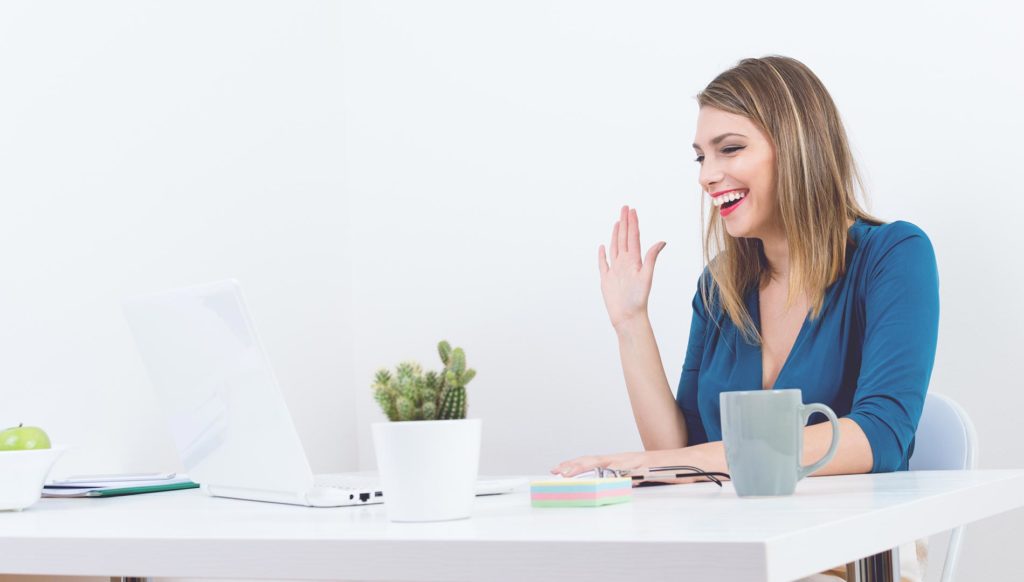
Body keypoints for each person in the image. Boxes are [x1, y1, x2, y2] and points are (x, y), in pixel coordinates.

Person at [550, 56, 939, 582]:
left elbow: (882, 435)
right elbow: (681, 457)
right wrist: (630, 324)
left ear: (798, 147)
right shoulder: (720, 289)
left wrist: (668, 466)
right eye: (701, 158)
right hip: (738, 548)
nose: (709, 176)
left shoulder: (893, 255)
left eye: (730, 149)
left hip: (850, 553)